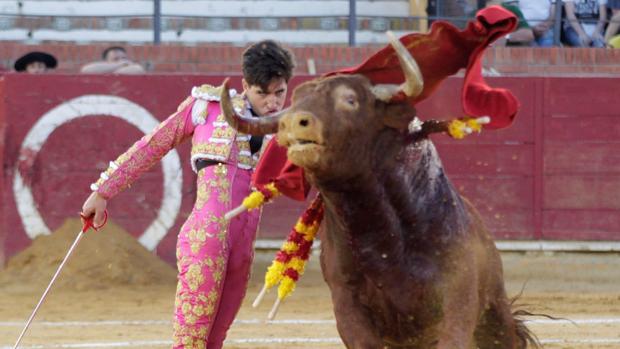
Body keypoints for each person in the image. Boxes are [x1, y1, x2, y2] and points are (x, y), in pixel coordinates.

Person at [80, 40, 295, 348]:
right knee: (190, 341)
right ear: (246, 85)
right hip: (205, 240)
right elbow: (153, 145)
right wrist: (103, 191)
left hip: (243, 247)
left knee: (215, 340)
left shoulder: (287, 128)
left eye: (279, 93)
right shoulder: (206, 107)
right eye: (263, 93)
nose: (272, 102)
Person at [80, 46, 145, 74]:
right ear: (106, 61)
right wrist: (120, 64)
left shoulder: (132, 67)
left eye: (123, 58)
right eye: (115, 59)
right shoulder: (99, 67)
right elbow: (85, 70)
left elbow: (139, 69)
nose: (121, 61)